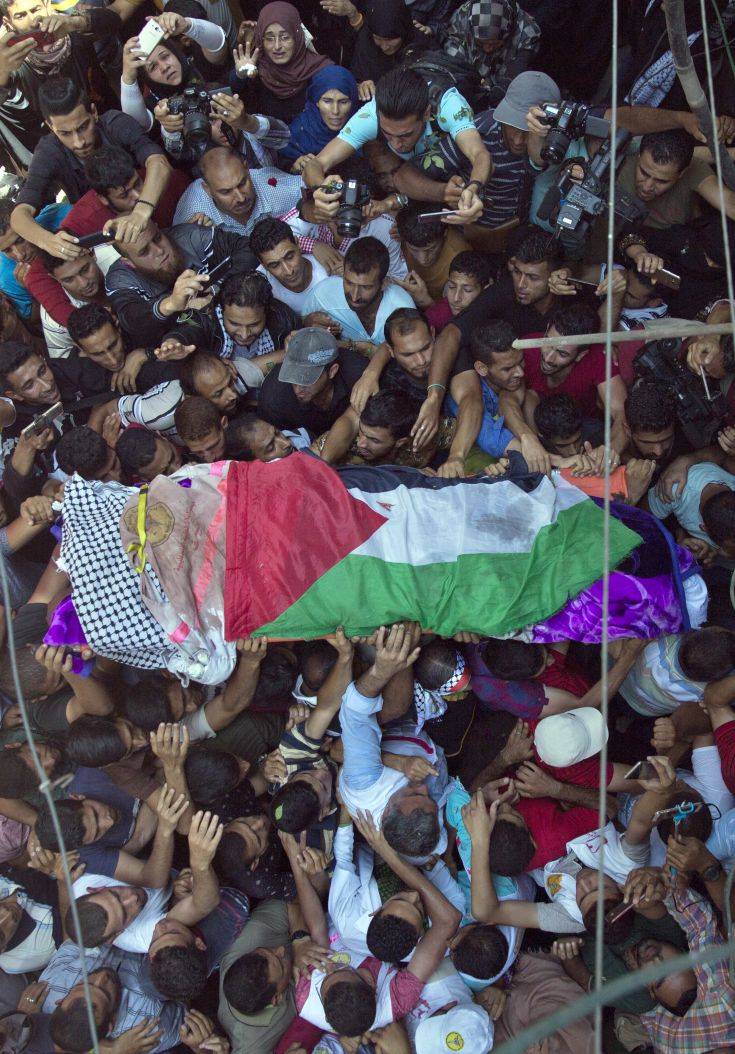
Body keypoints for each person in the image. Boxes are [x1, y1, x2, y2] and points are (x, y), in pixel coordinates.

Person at [302, 66, 489, 225]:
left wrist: (474, 187)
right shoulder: (369, 116)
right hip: (415, 175)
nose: (396, 144)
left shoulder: (449, 105)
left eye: (405, 134)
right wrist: (320, 189)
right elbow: (316, 164)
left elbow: (479, 153)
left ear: (426, 114)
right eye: (387, 134)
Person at [10, 77, 171, 259]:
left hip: (155, 207)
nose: (79, 142)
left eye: (83, 127)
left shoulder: (115, 123)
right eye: (65, 133)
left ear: (93, 112)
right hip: (99, 231)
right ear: (50, 127)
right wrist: (49, 242)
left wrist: (141, 212)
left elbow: (158, 162)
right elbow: (19, 215)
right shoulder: (49, 151)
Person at [0, 0, 121, 168]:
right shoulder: (10, 58)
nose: (32, 21)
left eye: (35, 10)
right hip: (66, 153)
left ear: (48, 5)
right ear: (8, 22)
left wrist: (76, 22)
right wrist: (2, 71)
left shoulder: (69, 27)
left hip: (107, 124)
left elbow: (113, 20)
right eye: (20, 16)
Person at [105, 219, 257, 345]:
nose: (159, 251)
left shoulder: (189, 236)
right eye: (144, 251)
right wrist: (171, 304)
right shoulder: (120, 277)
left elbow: (249, 249)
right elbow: (131, 320)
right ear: (128, 262)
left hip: (240, 326)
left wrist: (215, 289)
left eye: (158, 238)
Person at [302, 236, 415, 346]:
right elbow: (303, 325)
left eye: (366, 287)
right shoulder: (323, 294)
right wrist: (308, 323)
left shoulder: (402, 308)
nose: (355, 296)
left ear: (384, 283)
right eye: (349, 283)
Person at [232, 2, 334, 123]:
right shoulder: (256, 69)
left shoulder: (322, 71)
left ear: (297, 37)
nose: (277, 46)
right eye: (269, 38)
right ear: (261, 40)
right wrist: (240, 76)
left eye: (285, 37)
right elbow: (239, 98)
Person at [257, 325, 368, 434]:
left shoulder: (359, 374)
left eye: (307, 379)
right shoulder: (274, 398)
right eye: (293, 377)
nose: (297, 390)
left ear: (332, 371)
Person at [172, 145, 303, 234]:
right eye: (226, 192)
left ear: (247, 169)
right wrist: (196, 239)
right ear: (207, 189)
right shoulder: (192, 210)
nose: (241, 198)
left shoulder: (274, 187)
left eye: (242, 184)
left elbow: (314, 187)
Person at [443, 0, 541, 101]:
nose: (487, 49)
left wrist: (496, 86)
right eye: (481, 43)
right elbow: (453, 56)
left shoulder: (527, 32)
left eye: (494, 43)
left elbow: (515, 72)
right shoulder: (462, 19)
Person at [279, 65, 359, 172]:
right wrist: (294, 167)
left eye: (343, 102)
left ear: (353, 102)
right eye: (327, 101)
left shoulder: (362, 127)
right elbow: (281, 164)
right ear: (316, 102)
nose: (335, 111)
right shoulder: (299, 130)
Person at [251, 216, 331, 314]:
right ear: (263, 265)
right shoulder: (259, 287)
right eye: (275, 265)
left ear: (298, 244)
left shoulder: (329, 272)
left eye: (289, 257)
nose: (288, 271)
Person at [394, 205, 471, 302]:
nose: (423, 259)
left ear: (445, 234)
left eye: (431, 249)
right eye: (414, 249)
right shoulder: (398, 236)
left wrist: (427, 303)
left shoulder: (461, 259)